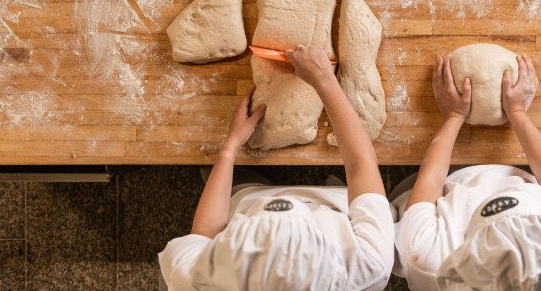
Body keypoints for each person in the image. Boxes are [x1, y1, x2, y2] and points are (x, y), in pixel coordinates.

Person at [158, 45, 394, 291]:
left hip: (249, 201)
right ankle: (331, 184)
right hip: (337, 204)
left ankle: (252, 183)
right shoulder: (370, 266)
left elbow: (207, 231)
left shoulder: (194, 279)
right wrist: (324, 79)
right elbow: (359, 165)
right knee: (376, 207)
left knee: (229, 180)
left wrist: (230, 146)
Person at [391, 54, 541, 290]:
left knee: (405, 197)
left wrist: (453, 116)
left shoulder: (429, 261)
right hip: (519, 174)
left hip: (445, 185)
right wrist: (517, 112)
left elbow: (431, 178)